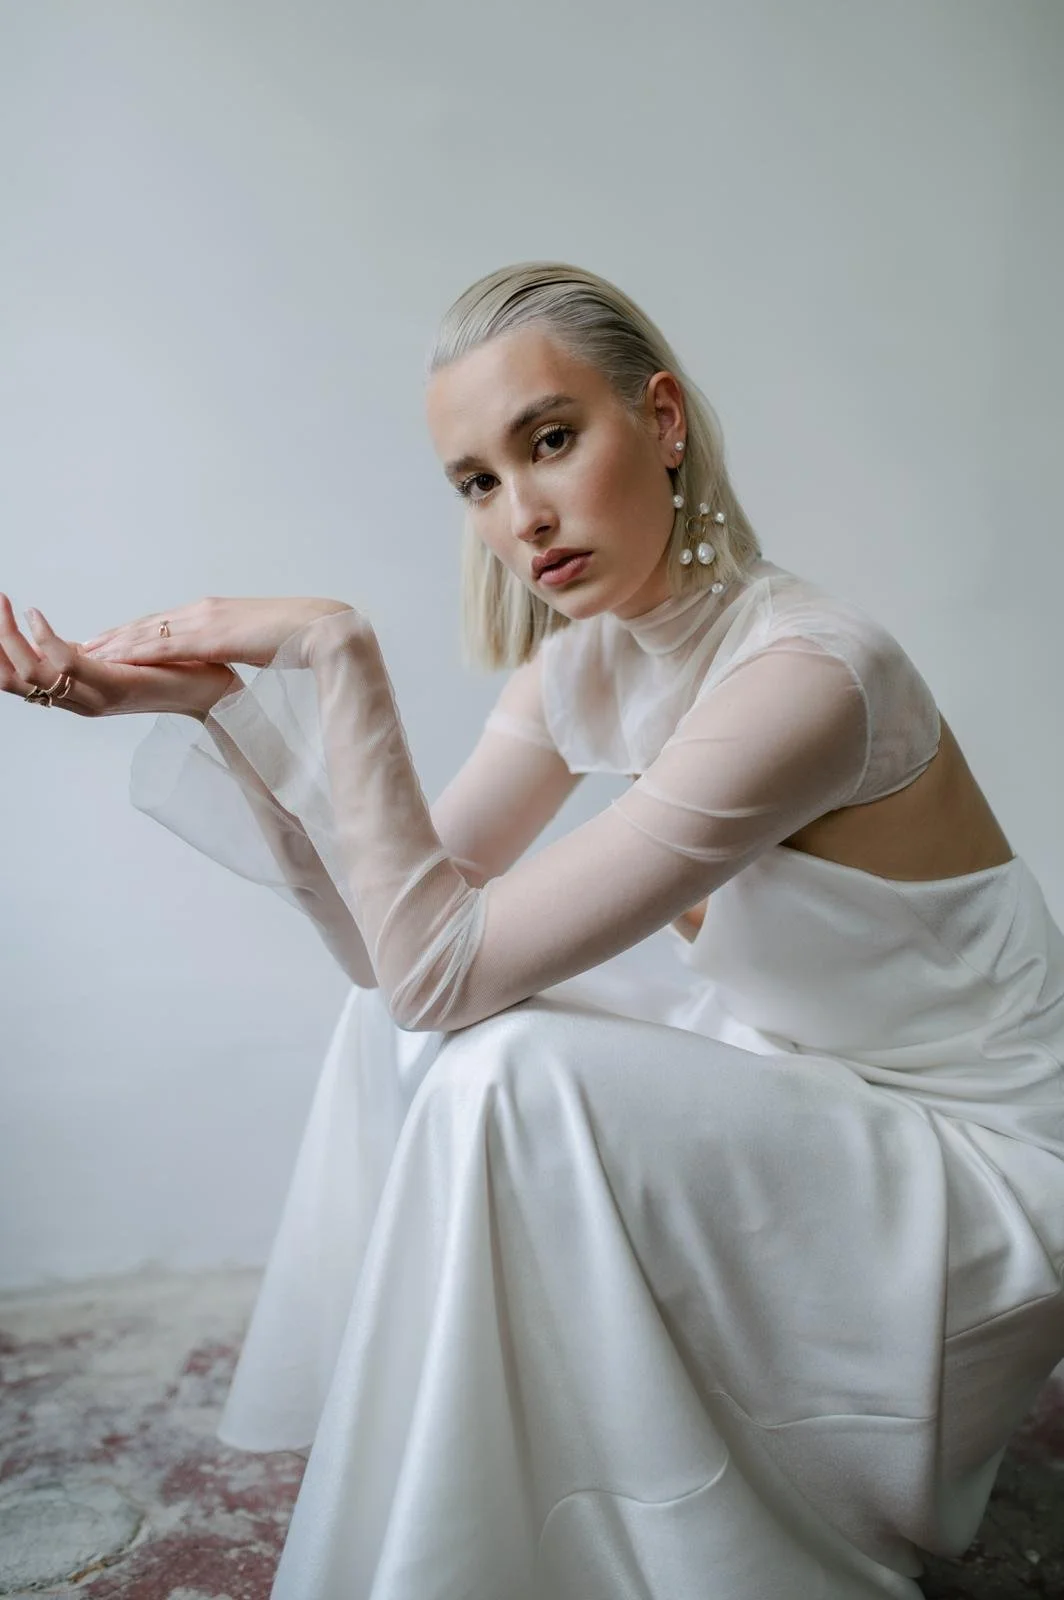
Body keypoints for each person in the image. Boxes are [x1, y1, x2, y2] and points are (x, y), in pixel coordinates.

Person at [4, 260, 1064, 1599]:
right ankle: (459, 1463)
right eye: (477, 482)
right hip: (822, 1096)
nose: (521, 516)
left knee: (506, 1064)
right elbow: (392, 958)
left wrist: (338, 651)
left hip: (979, 1183)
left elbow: (438, 973)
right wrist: (212, 702)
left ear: (662, 421)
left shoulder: (810, 677)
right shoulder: (582, 665)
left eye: (550, 440)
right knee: (400, 1027)